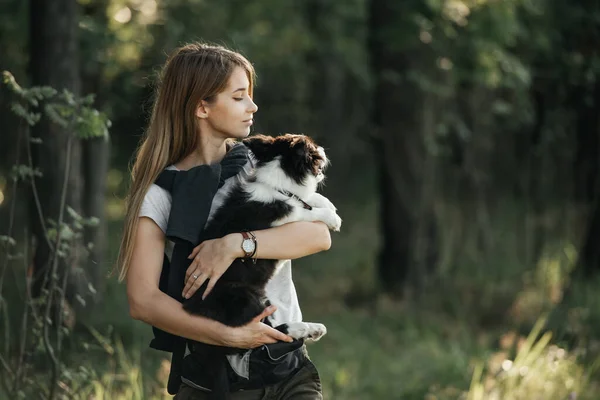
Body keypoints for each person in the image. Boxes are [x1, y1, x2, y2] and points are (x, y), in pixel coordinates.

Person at [116, 42, 331, 399]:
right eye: (239, 97)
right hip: (215, 380)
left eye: (250, 95)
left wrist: (236, 245)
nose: (253, 106)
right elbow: (142, 300)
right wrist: (230, 336)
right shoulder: (161, 192)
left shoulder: (261, 164)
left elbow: (319, 234)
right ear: (202, 106)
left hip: (289, 370)